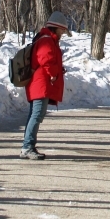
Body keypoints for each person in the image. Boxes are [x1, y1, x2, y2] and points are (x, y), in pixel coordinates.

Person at [20, 11, 71, 160]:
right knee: (36, 115)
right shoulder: (47, 41)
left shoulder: (46, 39)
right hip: (40, 84)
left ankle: (27, 146)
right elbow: (46, 60)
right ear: (57, 27)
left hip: (39, 84)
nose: (63, 33)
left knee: (35, 115)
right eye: (62, 30)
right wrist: (54, 73)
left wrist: (57, 70)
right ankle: (27, 147)